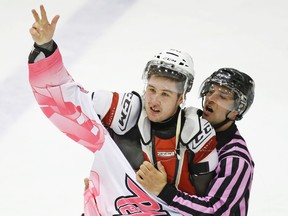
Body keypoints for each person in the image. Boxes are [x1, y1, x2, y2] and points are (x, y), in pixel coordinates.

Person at [28, 5, 219, 215]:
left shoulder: (196, 134)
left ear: (181, 98)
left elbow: (208, 208)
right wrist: (45, 48)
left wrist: (165, 191)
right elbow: (64, 102)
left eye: (165, 94)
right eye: (152, 89)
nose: (154, 100)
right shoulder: (124, 112)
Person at [136, 68, 255, 216]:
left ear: (236, 111)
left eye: (223, 96)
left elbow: (216, 211)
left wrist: (164, 191)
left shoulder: (236, 158)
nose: (211, 98)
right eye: (210, 91)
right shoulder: (190, 128)